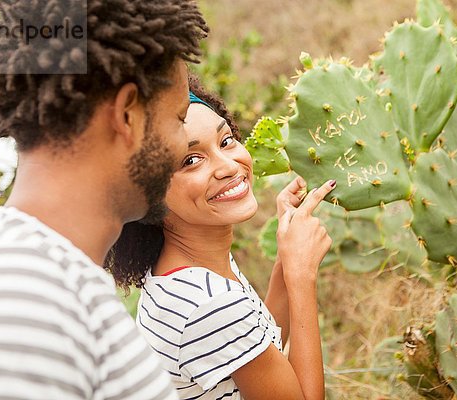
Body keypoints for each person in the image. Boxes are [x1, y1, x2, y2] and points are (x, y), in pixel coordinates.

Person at [0, 1, 208, 399]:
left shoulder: (41, 279)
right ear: (127, 114)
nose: (184, 141)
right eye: (180, 118)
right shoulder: (20, 295)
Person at [105, 76, 335, 400]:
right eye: (190, 160)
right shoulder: (208, 304)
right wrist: (301, 275)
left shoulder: (187, 270)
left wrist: (285, 259)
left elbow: (254, 340)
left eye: (225, 141)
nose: (228, 165)